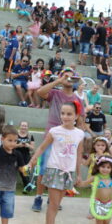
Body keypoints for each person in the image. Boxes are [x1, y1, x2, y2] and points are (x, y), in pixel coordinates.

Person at [27, 102, 84, 224]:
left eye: (69, 114)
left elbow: (78, 155)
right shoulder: (55, 131)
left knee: (57, 204)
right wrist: (33, 160)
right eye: (63, 113)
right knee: (53, 205)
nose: (65, 117)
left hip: (68, 173)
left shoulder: (80, 134)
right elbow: (42, 147)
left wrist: (78, 174)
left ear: (76, 116)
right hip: (54, 171)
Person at [32, 68, 84, 212]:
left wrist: (80, 142)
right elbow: (39, 92)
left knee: (62, 169)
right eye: (65, 75)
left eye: (70, 76)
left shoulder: (78, 99)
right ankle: (38, 197)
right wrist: (59, 80)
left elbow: (80, 122)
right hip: (52, 136)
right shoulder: (55, 93)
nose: (68, 78)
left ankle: (52, 198)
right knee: (44, 169)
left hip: (68, 140)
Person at [16, 121, 35, 187]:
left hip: (26, 155)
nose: (24, 127)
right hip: (17, 155)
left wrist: (28, 145)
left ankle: (27, 185)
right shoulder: (15, 135)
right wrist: (18, 145)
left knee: (26, 171)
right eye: (22, 125)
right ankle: (28, 185)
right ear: (20, 126)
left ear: (27, 127)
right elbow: (11, 145)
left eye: (25, 126)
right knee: (22, 170)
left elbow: (32, 148)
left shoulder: (30, 136)